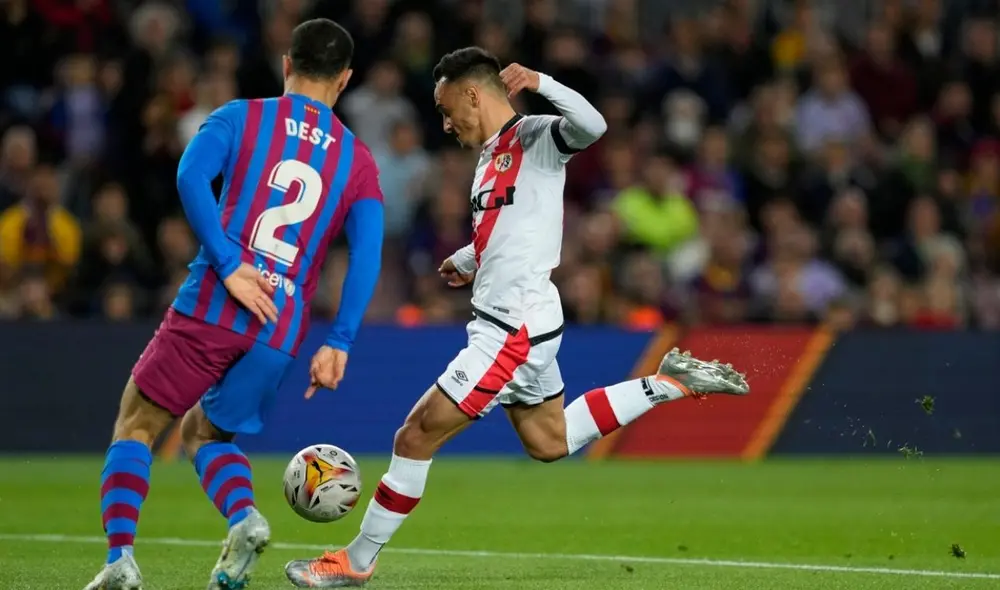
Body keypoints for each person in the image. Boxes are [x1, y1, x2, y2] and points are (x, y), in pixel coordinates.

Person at [284, 47, 749, 588]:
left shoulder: (534, 137)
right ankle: (668, 383)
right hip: (524, 319)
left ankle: (355, 562)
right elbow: (511, 229)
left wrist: (541, 80)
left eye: (445, 107)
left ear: (472, 94)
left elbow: (592, 125)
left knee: (414, 437)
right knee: (549, 442)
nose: (445, 121)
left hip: (512, 327)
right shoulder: (488, 157)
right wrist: (468, 258)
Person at [85, 18, 384, 590]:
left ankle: (121, 560)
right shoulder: (358, 158)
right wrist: (340, 339)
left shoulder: (241, 116)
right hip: (282, 328)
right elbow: (367, 254)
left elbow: (191, 174)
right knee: (206, 434)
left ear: (287, 64)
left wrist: (228, 263)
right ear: (345, 80)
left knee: (138, 423)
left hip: (215, 304)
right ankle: (244, 519)